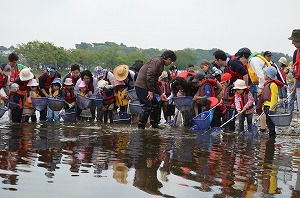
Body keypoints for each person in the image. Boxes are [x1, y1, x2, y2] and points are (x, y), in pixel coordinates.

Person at [135, 50, 176, 129]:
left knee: (155, 104)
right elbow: (150, 75)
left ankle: (154, 124)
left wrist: (161, 94)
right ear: (168, 59)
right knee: (147, 106)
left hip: (146, 86)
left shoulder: (160, 63)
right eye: (171, 61)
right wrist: (150, 90)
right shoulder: (157, 61)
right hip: (142, 86)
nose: (170, 63)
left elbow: (155, 81)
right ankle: (141, 127)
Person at [262, 67, 279, 138]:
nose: (264, 75)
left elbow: (274, 98)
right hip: (266, 106)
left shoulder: (273, 85)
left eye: (265, 74)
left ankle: (272, 135)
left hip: (270, 107)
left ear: (268, 76)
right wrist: (263, 107)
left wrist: (272, 108)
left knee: (270, 122)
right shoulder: (267, 84)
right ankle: (271, 134)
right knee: (268, 122)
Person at [289, 29, 300, 117]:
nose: (292, 43)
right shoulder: (296, 52)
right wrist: (295, 85)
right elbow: (295, 69)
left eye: (294, 40)